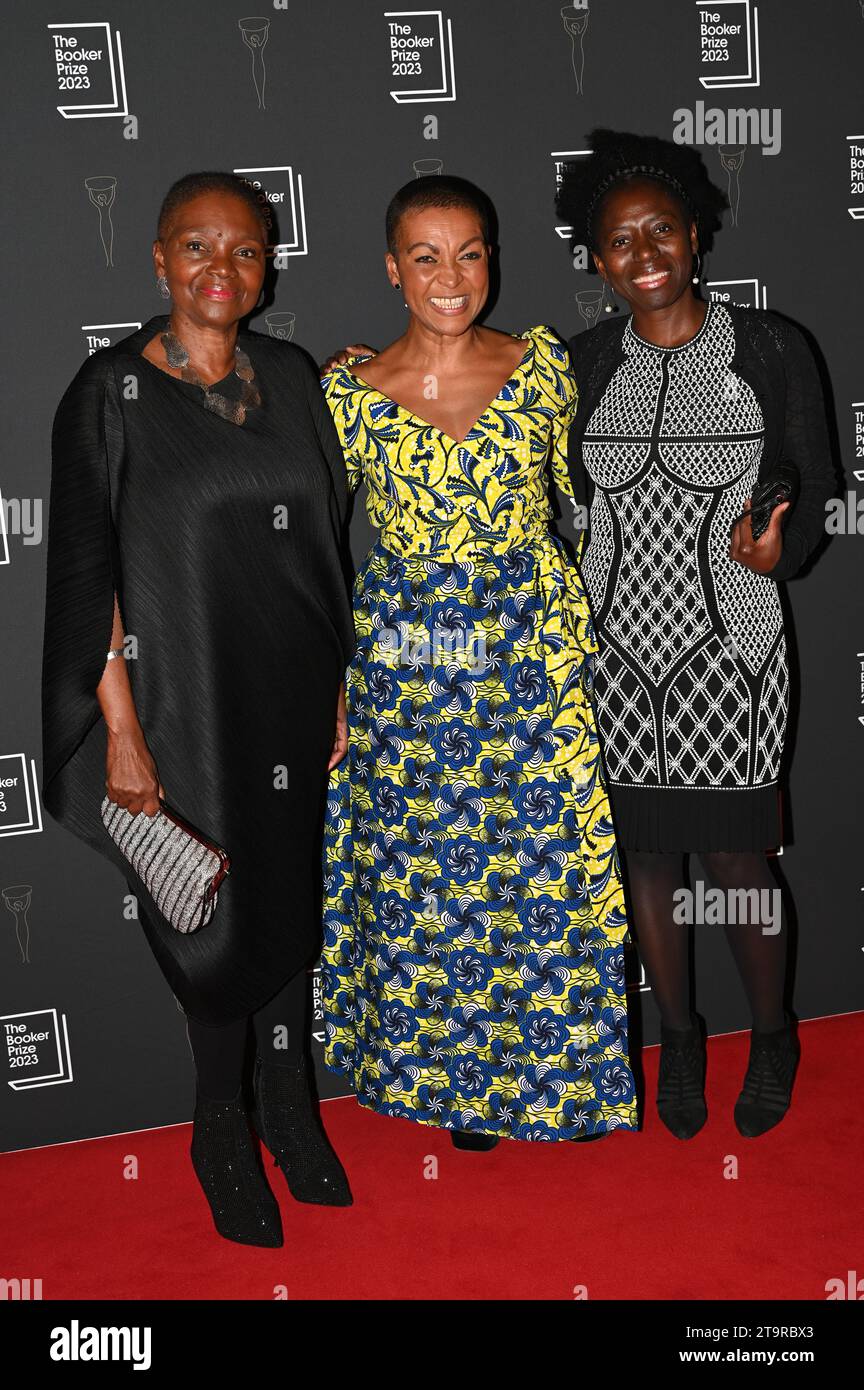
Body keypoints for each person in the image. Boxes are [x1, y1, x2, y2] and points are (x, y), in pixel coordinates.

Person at [41, 171, 357, 1246]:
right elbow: (88, 579)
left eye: (246, 250)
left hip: (289, 695)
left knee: (288, 910)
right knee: (213, 923)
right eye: (197, 247)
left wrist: (338, 685)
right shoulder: (109, 391)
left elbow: (324, 547)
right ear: (159, 259)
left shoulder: (291, 377)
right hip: (181, 706)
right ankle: (220, 1127)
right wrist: (124, 733)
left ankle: (291, 1109)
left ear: (268, 267)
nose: (222, 269)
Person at [318, 176, 637, 1149]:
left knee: (549, 862)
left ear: (491, 258)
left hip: (528, 651)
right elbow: (317, 551)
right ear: (392, 269)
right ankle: (462, 1087)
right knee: (434, 878)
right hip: (410, 662)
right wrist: (335, 685)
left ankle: (558, 1074)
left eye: (469, 253)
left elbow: (599, 497)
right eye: (426, 256)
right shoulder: (348, 395)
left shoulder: (543, 367)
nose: (450, 276)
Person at [556, 130, 835, 1139]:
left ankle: (773, 1034)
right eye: (619, 240)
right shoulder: (582, 364)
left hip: (734, 651)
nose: (644, 253)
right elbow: (549, 491)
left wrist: (785, 545)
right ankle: (677, 1035)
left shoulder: (769, 347)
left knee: (735, 860)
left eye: (660, 230)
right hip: (615, 659)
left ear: (696, 234)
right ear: (597, 260)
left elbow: (815, 486)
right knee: (644, 860)